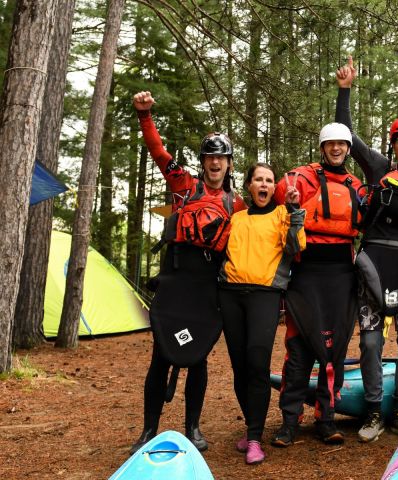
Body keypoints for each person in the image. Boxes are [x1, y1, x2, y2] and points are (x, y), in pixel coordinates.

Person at [130, 91, 245, 454]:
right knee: (162, 353)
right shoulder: (184, 186)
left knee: (197, 355)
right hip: (176, 277)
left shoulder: (236, 204)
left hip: (207, 284)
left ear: (229, 164)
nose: (215, 163)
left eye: (221, 158)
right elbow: (159, 154)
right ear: (203, 161)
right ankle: (148, 429)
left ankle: (192, 427)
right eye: (210, 157)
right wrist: (145, 114)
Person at [335, 57, 398, 442]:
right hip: (374, 262)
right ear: (393, 145)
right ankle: (374, 410)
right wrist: (345, 90)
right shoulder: (378, 168)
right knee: (371, 341)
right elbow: (346, 132)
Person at [270, 122, 363, 448]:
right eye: (330, 144)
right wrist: (292, 203)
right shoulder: (299, 178)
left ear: (348, 149)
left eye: (342, 144)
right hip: (306, 273)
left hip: (341, 276)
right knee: (298, 350)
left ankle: (325, 419)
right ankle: (289, 421)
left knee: (333, 351)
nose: (336, 149)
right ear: (322, 148)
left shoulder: (355, 185)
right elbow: (274, 205)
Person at [219, 162, 306, 465]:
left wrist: (295, 211)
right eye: (258, 179)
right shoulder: (237, 217)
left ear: (274, 188)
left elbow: (296, 248)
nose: (264, 184)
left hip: (265, 296)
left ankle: (255, 437)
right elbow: (220, 251)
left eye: (269, 180)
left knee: (257, 363)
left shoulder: (283, 214)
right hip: (230, 295)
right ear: (250, 186)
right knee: (240, 367)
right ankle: (250, 426)